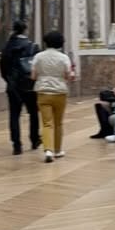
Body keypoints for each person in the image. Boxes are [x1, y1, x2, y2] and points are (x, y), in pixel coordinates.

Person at [30, 30, 75, 162]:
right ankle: (58, 150)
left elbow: (33, 76)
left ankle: (48, 150)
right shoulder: (64, 57)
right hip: (60, 91)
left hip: (43, 91)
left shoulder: (38, 56)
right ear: (60, 43)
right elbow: (68, 76)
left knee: (47, 123)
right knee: (58, 123)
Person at [0, 18, 40, 154]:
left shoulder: (7, 46)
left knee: (14, 115)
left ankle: (16, 145)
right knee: (33, 113)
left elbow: (3, 68)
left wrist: (9, 81)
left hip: (13, 85)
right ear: (25, 29)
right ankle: (34, 140)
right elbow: (36, 67)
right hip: (29, 85)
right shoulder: (32, 46)